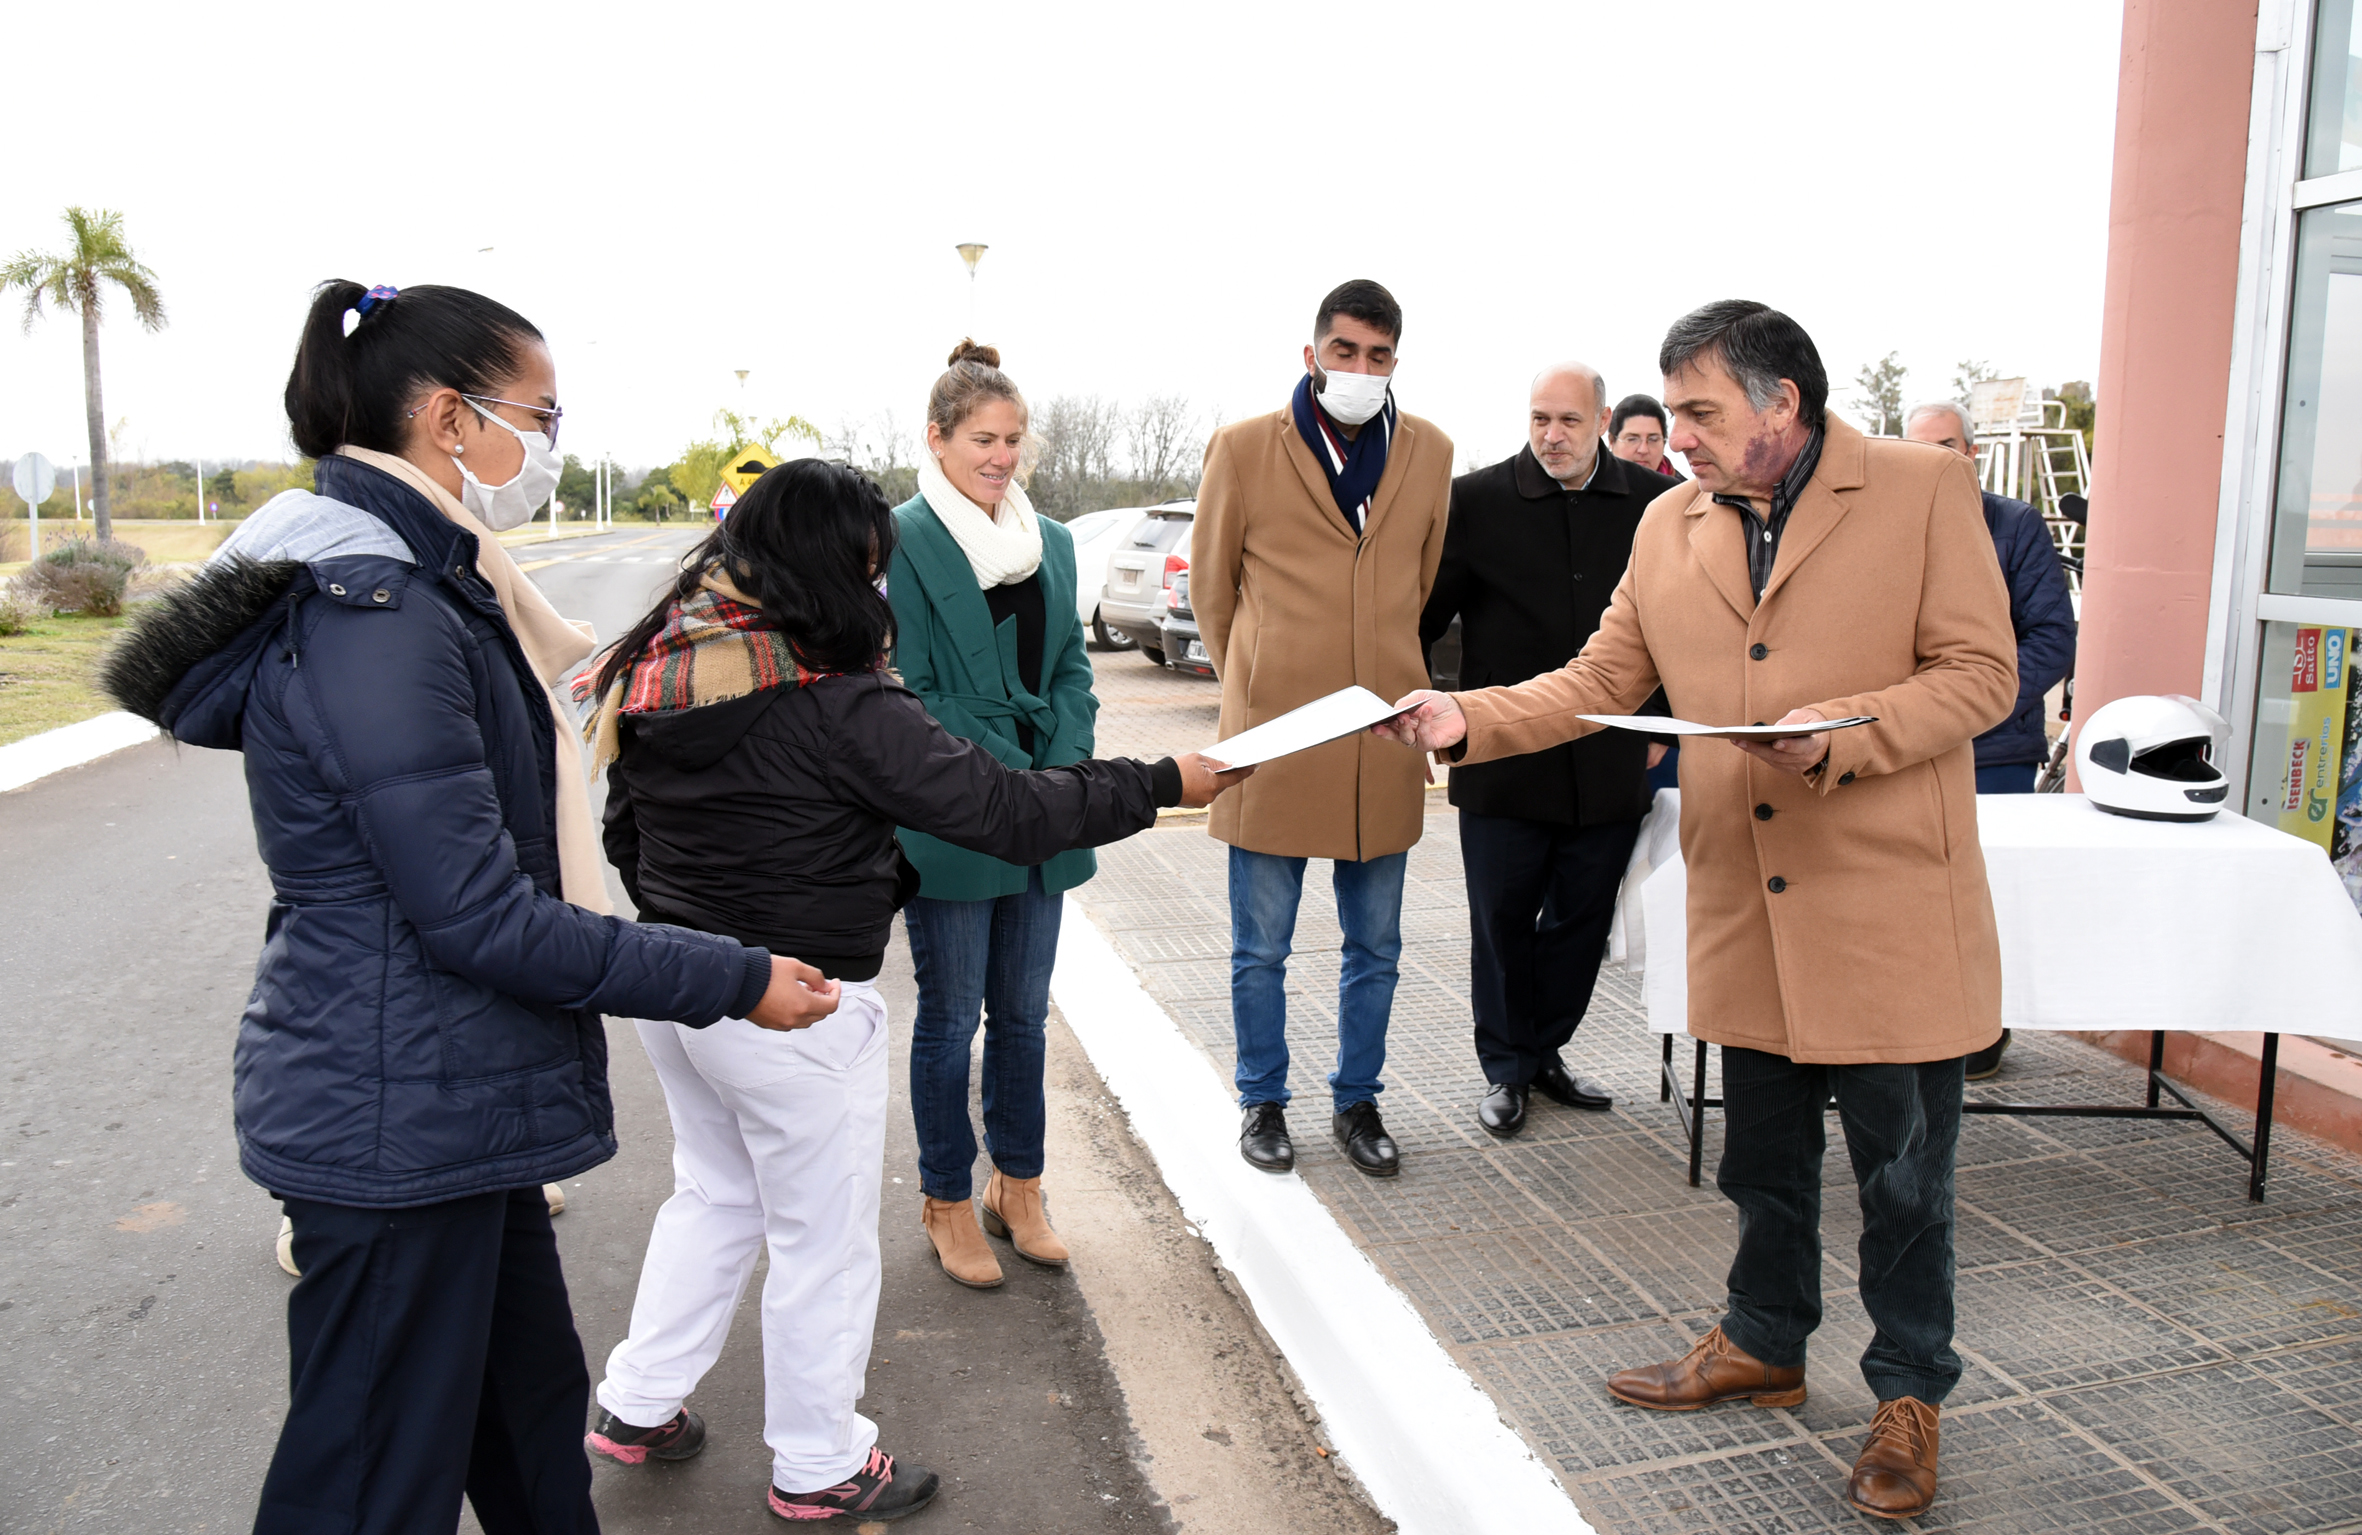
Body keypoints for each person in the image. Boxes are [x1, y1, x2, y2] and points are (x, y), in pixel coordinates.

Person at [99, 280, 841, 1535]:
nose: (547, 445)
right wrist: (731, 973)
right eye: (538, 416)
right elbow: (477, 917)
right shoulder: (375, 616)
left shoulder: (432, 580)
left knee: (528, 1429)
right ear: (450, 417)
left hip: (448, 1105)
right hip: (398, 1120)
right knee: (370, 1481)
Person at [1377, 300, 2014, 1522]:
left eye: (1702, 413)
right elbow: (1606, 677)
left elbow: (1981, 673)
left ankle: (1908, 1394)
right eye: (1670, 412)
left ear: (1785, 404)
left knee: (1904, 1182)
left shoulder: (1923, 492)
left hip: (1887, 909)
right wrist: (1472, 716)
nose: (1676, 439)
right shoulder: (1669, 522)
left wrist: (1843, 729)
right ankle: (1763, 1340)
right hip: (1748, 903)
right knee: (1762, 1163)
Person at [579, 460, 1246, 1520]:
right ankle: (818, 1462)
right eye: (871, 567)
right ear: (836, 568)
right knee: (821, 1239)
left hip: (687, 985)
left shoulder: (669, 663)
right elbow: (1004, 810)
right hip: (798, 1000)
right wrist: (1165, 780)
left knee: (713, 1192)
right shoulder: (835, 700)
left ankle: (636, 1400)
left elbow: (626, 829)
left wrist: (686, 928)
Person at [1193, 279, 1454, 1180]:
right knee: (1260, 945)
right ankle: (1262, 1098)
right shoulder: (1242, 449)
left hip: (1381, 738)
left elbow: (1418, 588)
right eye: (1345, 352)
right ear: (1312, 355)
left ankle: (1358, 1099)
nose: (1360, 369)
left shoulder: (1428, 453)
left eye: (1378, 357)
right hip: (1274, 738)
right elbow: (1212, 591)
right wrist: (1253, 691)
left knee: (1375, 945)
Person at [887, 340, 1104, 1288]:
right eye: (983, 438)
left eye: (1014, 439)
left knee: (1022, 1014)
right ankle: (944, 1195)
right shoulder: (899, 539)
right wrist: (1009, 767)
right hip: (953, 811)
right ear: (936, 439)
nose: (1002, 456)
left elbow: (1071, 672)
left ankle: (1018, 1186)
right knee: (950, 1018)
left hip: (1042, 815)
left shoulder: (1049, 541)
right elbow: (911, 689)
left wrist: (1061, 767)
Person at [1419, 363, 1678, 1138]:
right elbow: (1424, 618)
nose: (1551, 435)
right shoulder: (1477, 500)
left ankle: (1547, 1052)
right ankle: (1506, 1068)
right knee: (1500, 922)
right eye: (1539, 419)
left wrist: (1660, 724)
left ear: (1602, 420)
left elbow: (1677, 629)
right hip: (1502, 755)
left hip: (1611, 754)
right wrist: (1429, 710)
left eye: (1567, 420)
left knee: (1580, 921)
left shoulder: (1654, 504)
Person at [1903, 399, 2077, 1081]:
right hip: (1909, 749)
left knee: (1981, 897)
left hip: (1994, 749)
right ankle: (1913, 1030)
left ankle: (1980, 1032)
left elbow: (2053, 636)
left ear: (1972, 453)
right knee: (1911, 892)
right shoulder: (1892, 526)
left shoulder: (2015, 526)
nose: (1937, 461)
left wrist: (1972, 705)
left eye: (1948, 446)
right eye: (1921, 450)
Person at [1609, 392, 1680, 478]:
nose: (1643, 450)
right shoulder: (1591, 483)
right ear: (1612, 441)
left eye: (1653, 439)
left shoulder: (1689, 490)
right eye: (1632, 439)